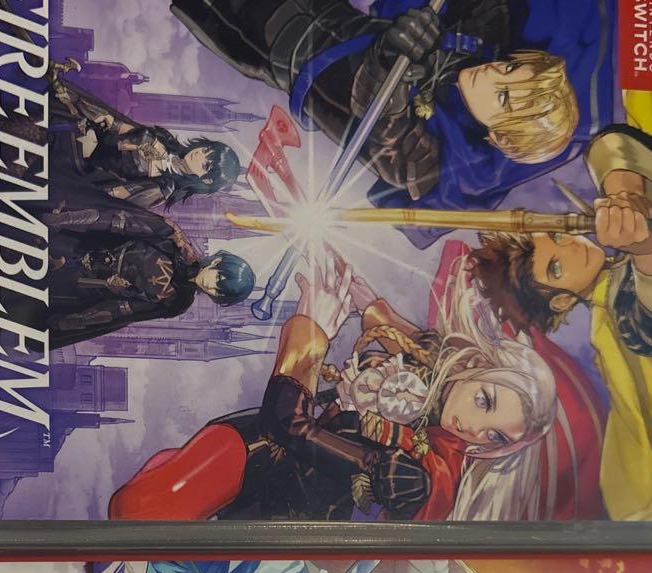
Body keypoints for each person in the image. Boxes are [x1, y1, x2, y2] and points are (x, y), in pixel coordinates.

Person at [109, 250, 558, 521]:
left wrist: (311, 335)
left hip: (283, 500)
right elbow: (417, 344)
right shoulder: (438, 370)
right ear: (475, 367)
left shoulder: (420, 476)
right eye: (484, 401)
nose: (474, 429)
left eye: (496, 437)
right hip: (258, 448)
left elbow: (289, 426)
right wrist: (366, 304)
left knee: (145, 511)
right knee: (160, 487)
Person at [468, 92, 652, 520]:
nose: (571, 246)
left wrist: (627, 193)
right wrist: (646, 249)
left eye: (558, 239)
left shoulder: (620, 248)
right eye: (556, 267)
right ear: (561, 300)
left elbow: (613, 145)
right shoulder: (615, 316)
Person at [171, 0, 613, 233]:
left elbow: (386, 131)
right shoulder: (485, 37)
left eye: (504, 97)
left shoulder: (430, 163)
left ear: (503, 137)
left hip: (278, 45)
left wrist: (389, 63)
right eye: (511, 69)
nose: (496, 72)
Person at [45, 193, 255, 348]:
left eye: (218, 291)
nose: (211, 285)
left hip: (79, 287)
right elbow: (122, 222)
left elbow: (126, 310)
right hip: (78, 243)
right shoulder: (175, 241)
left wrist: (79, 321)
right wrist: (67, 220)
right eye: (218, 278)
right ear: (217, 262)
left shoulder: (179, 302)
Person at [49, 60, 241, 209]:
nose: (199, 154)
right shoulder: (165, 139)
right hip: (74, 131)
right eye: (206, 150)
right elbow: (113, 123)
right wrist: (73, 100)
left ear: (206, 180)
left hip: (69, 165)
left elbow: (107, 195)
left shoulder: (161, 188)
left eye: (206, 164)